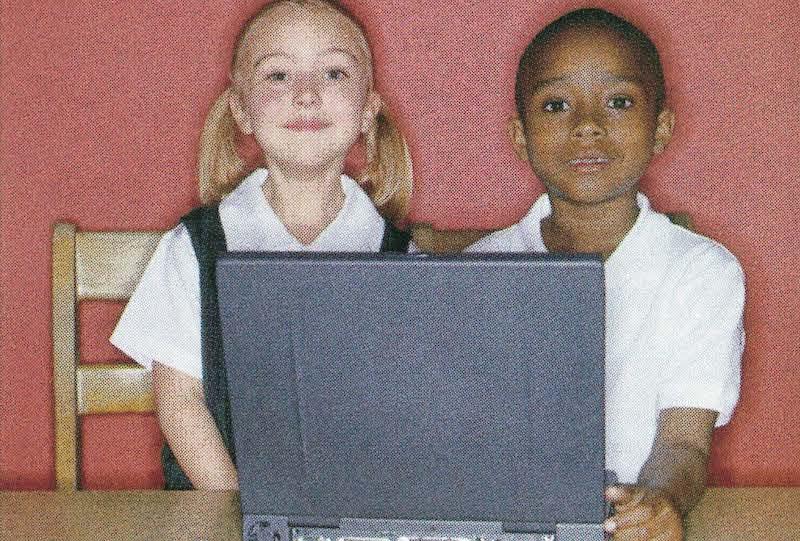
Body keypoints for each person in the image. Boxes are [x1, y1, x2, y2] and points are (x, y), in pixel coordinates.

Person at [423, 8, 744, 540]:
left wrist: (659, 502)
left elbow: (684, 443)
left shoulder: (702, 273)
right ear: (521, 137)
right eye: (556, 105)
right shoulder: (481, 270)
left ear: (661, 126)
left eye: (619, 102)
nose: (588, 125)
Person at [111, 0, 412, 491]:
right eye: (278, 76)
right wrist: (242, 511)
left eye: (334, 73)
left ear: (367, 112)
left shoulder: (402, 257)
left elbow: (405, 412)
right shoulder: (196, 247)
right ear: (242, 110)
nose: (308, 95)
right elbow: (180, 401)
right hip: (222, 510)